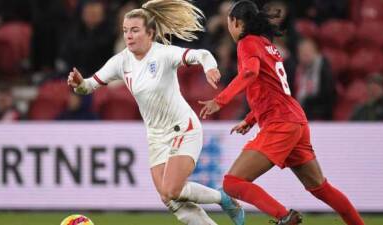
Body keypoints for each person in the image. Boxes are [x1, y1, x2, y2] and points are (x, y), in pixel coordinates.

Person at [67, 1, 244, 225]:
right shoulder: (121, 61)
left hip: (182, 127)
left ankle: (223, 197)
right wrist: (79, 83)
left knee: (172, 189)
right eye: (125, 31)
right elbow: (89, 86)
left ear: (150, 33)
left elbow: (202, 54)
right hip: (156, 136)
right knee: (169, 198)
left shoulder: (163, 54)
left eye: (134, 30)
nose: (128, 36)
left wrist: (209, 66)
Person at [199, 1, 365, 225]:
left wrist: (220, 100)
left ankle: (285, 217)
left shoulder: (246, 43)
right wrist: (251, 118)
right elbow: (272, 88)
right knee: (320, 187)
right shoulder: (267, 45)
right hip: (295, 120)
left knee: (232, 183)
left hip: (281, 122)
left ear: (235, 22)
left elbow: (250, 73)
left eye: (229, 21)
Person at [295, 38, 336, 120]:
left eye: (308, 51)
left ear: (315, 52)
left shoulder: (323, 68)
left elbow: (328, 94)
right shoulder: (296, 69)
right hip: (300, 112)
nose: (305, 54)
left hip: (320, 114)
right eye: (302, 52)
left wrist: (307, 101)